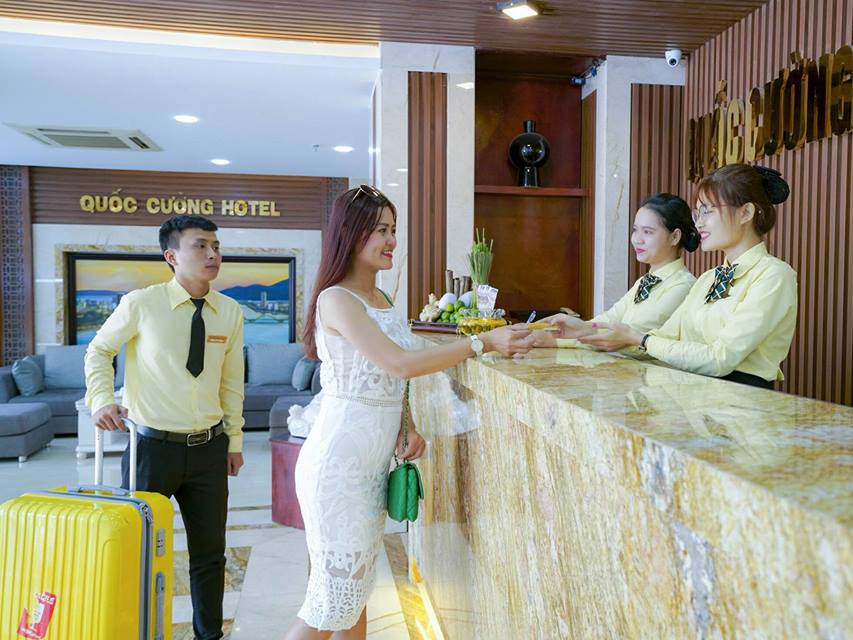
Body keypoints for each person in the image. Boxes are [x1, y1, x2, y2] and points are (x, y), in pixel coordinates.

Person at [285, 185, 534, 640]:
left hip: (371, 468)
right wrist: (480, 342)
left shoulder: (382, 300)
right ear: (351, 233)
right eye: (381, 230)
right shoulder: (336, 299)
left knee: (356, 593)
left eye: (393, 229)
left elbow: (395, 376)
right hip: (338, 467)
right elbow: (399, 363)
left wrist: (409, 425)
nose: (392, 241)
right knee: (329, 602)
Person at [84, 215, 244, 640]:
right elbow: (99, 351)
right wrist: (101, 399)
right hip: (150, 451)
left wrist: (235, 441)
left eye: (216, 246)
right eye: (200, 245)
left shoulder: (229, 312)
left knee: (210, 555)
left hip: (210, 449)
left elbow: (232, 384)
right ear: (172, 256)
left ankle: (209, 636)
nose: (212, 254)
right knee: (135, 551)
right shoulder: (142, 303)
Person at [622, 164, 798, 389]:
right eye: (697, 213)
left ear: (745, 213)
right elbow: (663, 337)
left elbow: (721, 358)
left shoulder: (774, 275)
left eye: (707, 211)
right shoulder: (707, 279)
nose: (699, 223)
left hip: (743, 401)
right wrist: (601, 335)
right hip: (695, 394)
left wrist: (640, 339)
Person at [536, 193, 699, 355]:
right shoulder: (644, 281)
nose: (637, 239)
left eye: (648, 232)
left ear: (675, 237)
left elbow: (626, 336)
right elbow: (610, 318)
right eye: (635, 230)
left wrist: (558, 340)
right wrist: (566, 328)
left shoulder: (683, 286)